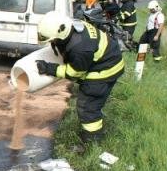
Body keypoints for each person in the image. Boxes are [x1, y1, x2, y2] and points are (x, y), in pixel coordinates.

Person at [35, 11, 125, 150]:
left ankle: (91, 143)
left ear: (61, 34)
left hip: (104, 72)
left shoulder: (80, 49)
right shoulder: (73, 26)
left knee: (86, 106)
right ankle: (96, 120)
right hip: (108, 60)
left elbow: (74, 73)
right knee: (93, 105)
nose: (52, 42)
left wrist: (49, 68)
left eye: (52, 40)